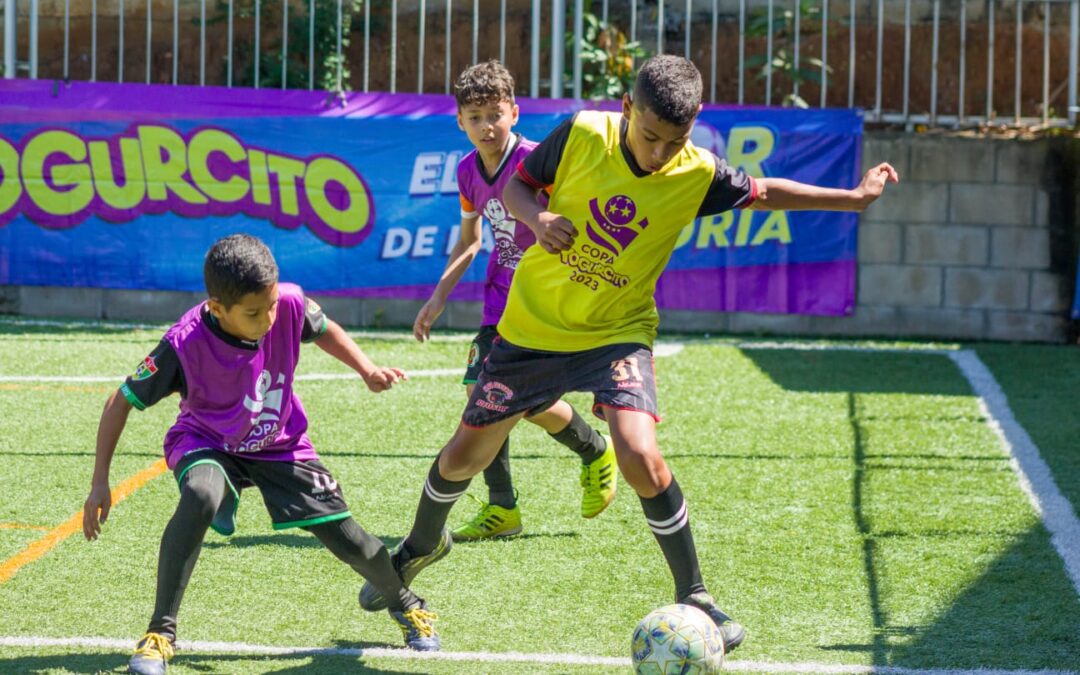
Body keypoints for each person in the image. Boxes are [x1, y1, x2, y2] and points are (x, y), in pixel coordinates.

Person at [360, 55, 899, 652]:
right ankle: (420, 546)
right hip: (532, 330)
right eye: (649, 137)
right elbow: (516, 186)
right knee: (463, 456)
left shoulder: (695, 171)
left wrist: (854, 198)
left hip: (619, 330)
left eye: (676, 140)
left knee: (641, 454)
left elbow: (766, 191)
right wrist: (539, 218)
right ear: (626, 110)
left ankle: (694, 592)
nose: (660, 153)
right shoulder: (583, 132)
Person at [82, 234, 440, 675]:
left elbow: (324, 330)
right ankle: (160, 633)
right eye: (253, 313)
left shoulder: (288, 302)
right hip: (207, 440)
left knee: (354, 543)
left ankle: (406, 603)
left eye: (270, 305)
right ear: (217, 308)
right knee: (200, 495)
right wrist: (100, 480)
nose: (269, 318)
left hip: (280, 444)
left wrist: (367, 369)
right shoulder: (182, 344)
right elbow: (120, 401)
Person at [412, 59, 617, 542]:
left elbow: (577, 220)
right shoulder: (467, 173)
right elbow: (470, 241)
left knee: (501, 400)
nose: (486, 126)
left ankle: (586, 453)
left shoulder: (538, 162)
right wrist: (438, 297)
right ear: (460, 122)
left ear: (515, 113)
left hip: (545, 303)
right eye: (475, 117)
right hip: (498, 304)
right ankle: (508, 505)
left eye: (494, 114)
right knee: (487, 395)